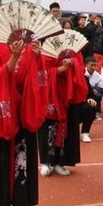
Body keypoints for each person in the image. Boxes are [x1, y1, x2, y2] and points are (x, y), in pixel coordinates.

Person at [0, 39, 48, 206]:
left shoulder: (29, 49)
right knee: (0, 158)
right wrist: (14, 57)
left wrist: (37, 58)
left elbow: (41, 79)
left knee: (21, 158)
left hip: (24, 108)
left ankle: (10, 204)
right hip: (2, 109)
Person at [39, 37, 88, 177]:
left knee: (68, 127)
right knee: (48, 127)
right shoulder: (47, 50)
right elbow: (42, 72)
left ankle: (61, 162)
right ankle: (46, 162)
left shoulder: (75, 50)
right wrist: (60, 69)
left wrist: (73, 65)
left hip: (69, 93)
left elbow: (81, 68)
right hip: (51, 94)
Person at [79, 57, 103, 143]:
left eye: (95, 65)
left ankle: (85, 132)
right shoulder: (79, 73)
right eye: (91, 65)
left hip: (82, 101)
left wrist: (90, 98)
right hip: (71, 103)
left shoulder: (94, 76)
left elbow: (95, 92)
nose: (93, 67)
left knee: (92, 105)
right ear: (85, 65)